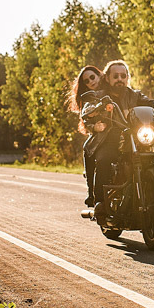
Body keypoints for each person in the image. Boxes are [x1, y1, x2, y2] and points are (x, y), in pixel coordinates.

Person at [87, 60, 154, 213]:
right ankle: (100, 202)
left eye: (123, 76)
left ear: (127, 78)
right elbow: (88, 107)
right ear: (107, 78)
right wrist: (93, 109)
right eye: (115, 76)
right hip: (109, 139)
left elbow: (150, 102)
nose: (119, 79)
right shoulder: (100, 95)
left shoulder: (134, 95)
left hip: (134, 137)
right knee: (104, 160)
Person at [65, 65, 104, 206]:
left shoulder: (113, 88)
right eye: (86, 81)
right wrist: (95, 127)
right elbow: (86, 120)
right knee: (88, 148)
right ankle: (92, 192)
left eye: (92, 77)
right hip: (100, 135)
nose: (91, 81)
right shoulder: (88, 99)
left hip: (122, 131)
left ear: (99, 75)